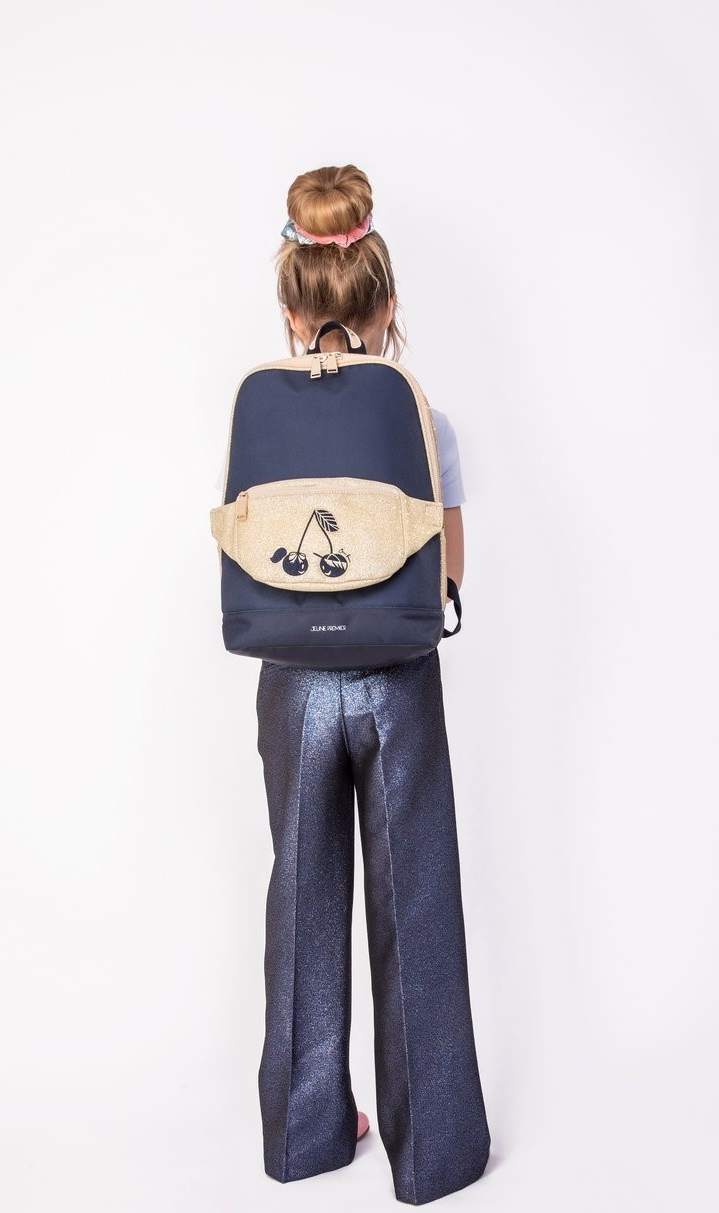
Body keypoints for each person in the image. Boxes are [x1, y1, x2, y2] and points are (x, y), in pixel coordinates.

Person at [216, 164, 491, 1205]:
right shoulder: (426, 421)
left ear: (290, 311)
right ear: (388, 305)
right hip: (396, 679)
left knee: (302, 893)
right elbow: (448, 571)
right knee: (414, 902)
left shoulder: (260, 415)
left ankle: (304, 1136)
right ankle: (435, 1155)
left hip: (291, 681)